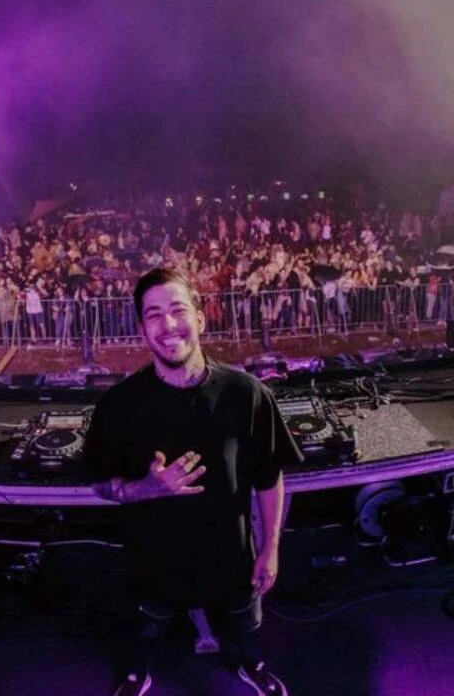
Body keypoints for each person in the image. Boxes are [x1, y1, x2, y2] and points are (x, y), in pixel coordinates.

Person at [85, 267, 302, 696]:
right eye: (153, 315)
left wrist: (271, 547)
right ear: (142, 330)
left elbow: (269, 476)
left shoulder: (247, 394)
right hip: (154, 561)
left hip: (233, 558)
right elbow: (98, 483)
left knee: (244, 626)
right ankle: (138, 673)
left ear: (200, 319)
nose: (168, 325)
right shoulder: (118, 406)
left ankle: (250, 664)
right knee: (148, 627)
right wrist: (148, 488)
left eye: (178, 310)